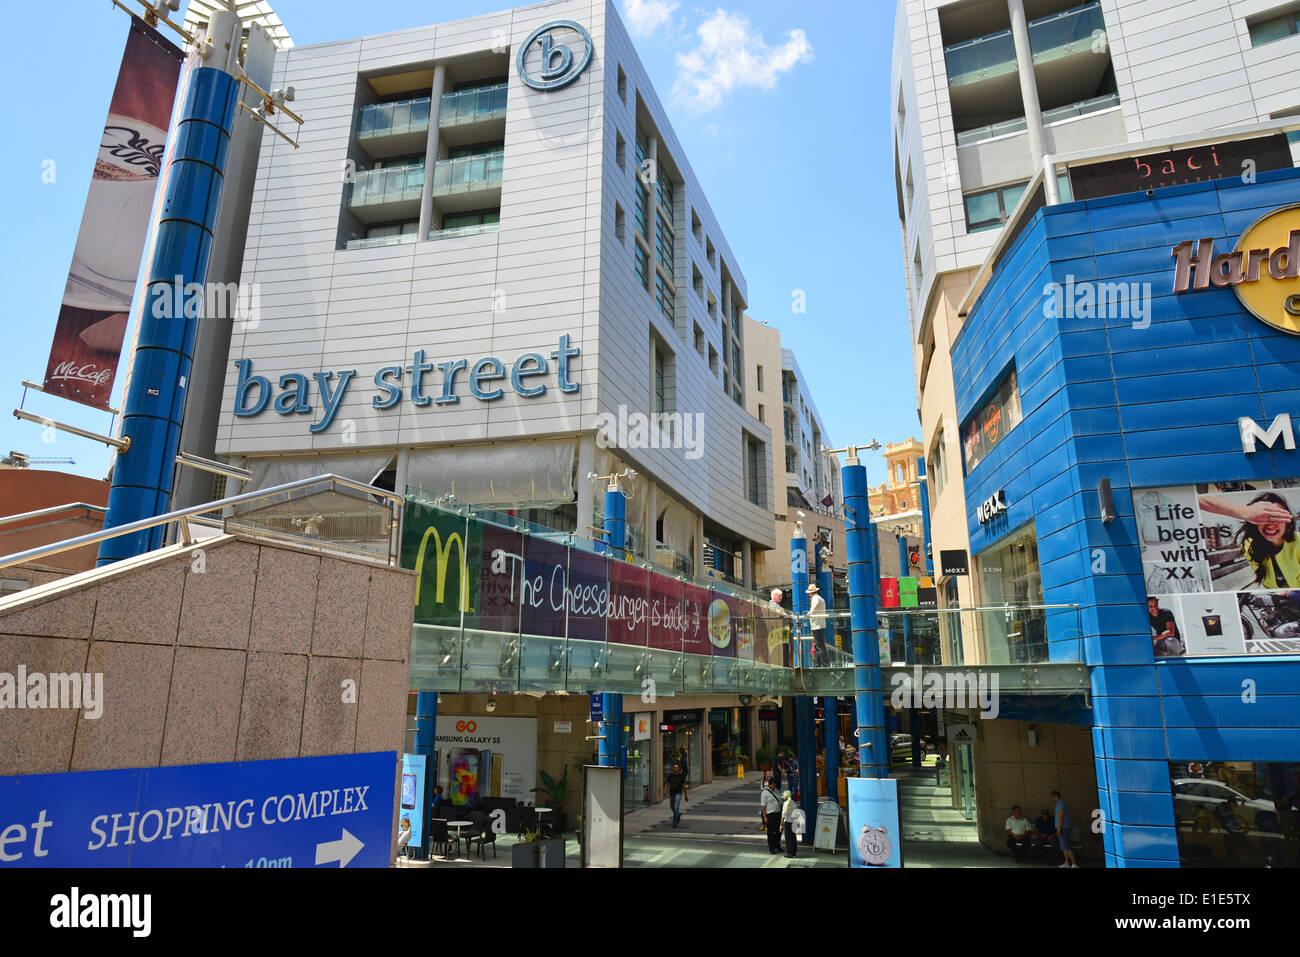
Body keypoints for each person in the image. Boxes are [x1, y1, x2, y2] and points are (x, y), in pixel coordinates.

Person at [1199, 492, 1300, 587]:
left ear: (1287, 521)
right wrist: (1244, 511)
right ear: (1254, 521)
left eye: (1278, 517)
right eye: (1264, 517)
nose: (1270, 524)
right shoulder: (1249, 546)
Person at [1052, 789, 1077, 868]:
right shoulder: (1060, 803)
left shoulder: (1060, 804)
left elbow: (1061, 816)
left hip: (1063, 828)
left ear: (1055, 796)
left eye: (1052, 797)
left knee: (1066, 846)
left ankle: (1074, 863)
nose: (1052, 799)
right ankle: (1067, 863)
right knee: (1063, 847)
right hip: (1063, 828)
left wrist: (1059, 828)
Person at [806, 583, 828, 667]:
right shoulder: (821, 598)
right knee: (818, 644)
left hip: (816, 624)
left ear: (811, 592)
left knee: (819, 645)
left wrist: (810, 612)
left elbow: (815, 604)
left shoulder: (815, 598)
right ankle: (818, 663)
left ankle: (823, 664)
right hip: (821, 623)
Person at [760, 776, 784, 854]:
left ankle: (777, 846)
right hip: (770, 815)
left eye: (775, 785)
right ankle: (772, 848)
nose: (774, 786)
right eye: (773, 785)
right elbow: (763, 806)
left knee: (779, 831)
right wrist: (765, 817)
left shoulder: (776, 791)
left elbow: (780, 802)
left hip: (778, 814)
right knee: (770, 832)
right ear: (770, 785)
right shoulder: (765, 792)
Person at [664, 762, 688, 827]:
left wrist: (686, 795)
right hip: (671, 793)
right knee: (672, 807)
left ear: (678, 769)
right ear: (673, 768)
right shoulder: (670, 775)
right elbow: (667, 784)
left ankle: (675, 822)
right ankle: (678, 814)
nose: (675, 769)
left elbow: (684, 786)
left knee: (676, 807)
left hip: (678, 793)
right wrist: (665, 791)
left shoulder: (681, 776)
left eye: (676, 767)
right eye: (674, 767)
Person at [780, 789, 802, 858]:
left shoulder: (785, 804)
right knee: (793, 837)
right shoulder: (794, 803)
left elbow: (783, 815)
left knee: (788, 838)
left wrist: (780, 825)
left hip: (787, 823)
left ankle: (789, 853)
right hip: (794, 823)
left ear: (785, 797)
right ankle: (794, 852)